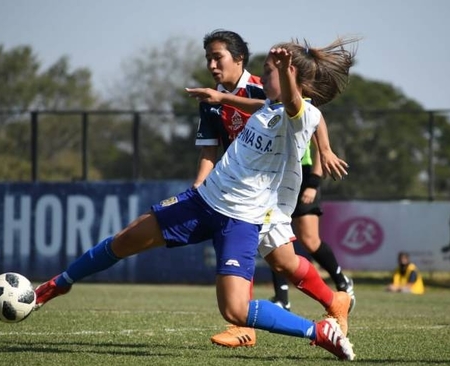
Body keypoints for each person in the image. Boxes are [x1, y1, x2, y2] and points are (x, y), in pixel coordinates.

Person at [33, 36, 357, 360]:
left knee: (235, 309)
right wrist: (220, 97)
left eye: (269, 71)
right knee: (124, 240)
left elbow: (297, 107)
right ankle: (58, 284)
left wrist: (288, 75)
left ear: (290, 79)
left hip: (241, 218)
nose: (263, 76)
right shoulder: (270, 104)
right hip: (204, 200)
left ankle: (318, 330)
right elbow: (262, 106)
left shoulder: (299, 114)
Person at [186, 30, 354, 348]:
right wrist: (199, 182)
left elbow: (306, 110)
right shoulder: (231, 96)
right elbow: (244, 119)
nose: (211, 64)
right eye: (207, 57)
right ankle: (335, 301)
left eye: (217, 56)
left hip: (267, 191)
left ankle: (241, 324)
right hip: (244, 188)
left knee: (245, 243)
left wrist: (326, 150)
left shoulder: (270, 88)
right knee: (284, 261)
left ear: (238, 58)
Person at [269, 141, 356, 312]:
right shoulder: (267, 114)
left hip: (304, 174)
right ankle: (282, 298)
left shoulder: (303, 113)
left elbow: (320, 147)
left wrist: (313, 183)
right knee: (273, 236)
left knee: (310, 240)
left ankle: (342, 281)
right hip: (276, 174)